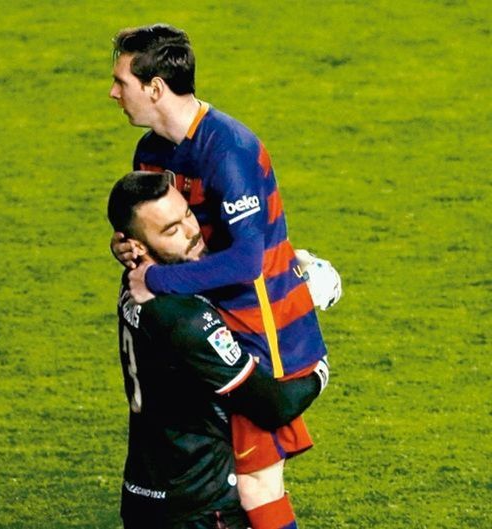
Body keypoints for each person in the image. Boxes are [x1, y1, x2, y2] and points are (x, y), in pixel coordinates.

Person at [109, 24, 337, 529]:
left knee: (256, 482)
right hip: (206, 315)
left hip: (259, 323)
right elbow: (150, 230)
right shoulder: (151, 152)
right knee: (224, 470)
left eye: (121, 81)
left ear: (154, 88)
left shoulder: (227, 149)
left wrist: (156, 282)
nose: (113, 93)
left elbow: (246, 262)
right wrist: (126, 246)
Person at [107, 171, 324, 529]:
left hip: (145, 494)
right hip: (201, 504)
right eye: (171, 230)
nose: (191, 231)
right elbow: (273, 406)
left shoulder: (134, 282)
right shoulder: (187, 320)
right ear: (139, 245)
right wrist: (319, 372)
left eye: (187, 214)